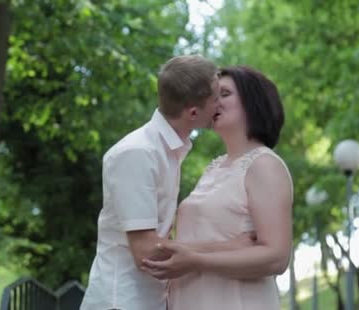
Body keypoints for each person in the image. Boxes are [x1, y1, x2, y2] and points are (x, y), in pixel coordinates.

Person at [80, 55, 254, 310]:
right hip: (122, 303)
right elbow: (146, 252)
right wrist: (231, 247)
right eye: (217, 97)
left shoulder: (167, 151)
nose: (221, 103)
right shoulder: (138, 153)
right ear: (194, 112)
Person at [142, 66, 294, 310]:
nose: (213, 102)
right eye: (212, 96)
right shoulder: (213, 168)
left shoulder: (264, 165)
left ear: (253, 100)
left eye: (224, 94)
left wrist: (196, 261)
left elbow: (277, 257)